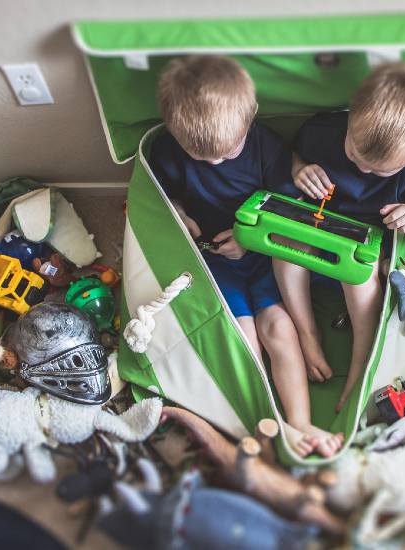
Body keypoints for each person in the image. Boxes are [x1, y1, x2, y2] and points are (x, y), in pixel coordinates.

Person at [149, 55, 344, 457]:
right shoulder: (168, 152)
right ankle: (261, 423)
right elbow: (165, 196)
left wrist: (248, 239)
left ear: (250, 117)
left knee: (279, 328)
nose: (216, 163)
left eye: (226, 152)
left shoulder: (264, 146)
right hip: (214, 259)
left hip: (264, 251)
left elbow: (282, 209)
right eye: (202, 158)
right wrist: (183, 217)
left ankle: (300, 422)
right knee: (243, 337)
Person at [271, 61, 405, 412]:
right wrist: (300, 168)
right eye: (354, 153)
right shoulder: (323, 133)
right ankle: (307, 334)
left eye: (379, 170)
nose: (362, 169)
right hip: (317, 231)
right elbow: (290, 156)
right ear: (349, 119)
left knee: (358, 275)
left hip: (364, 254)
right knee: (284, 247)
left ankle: (361, 360)